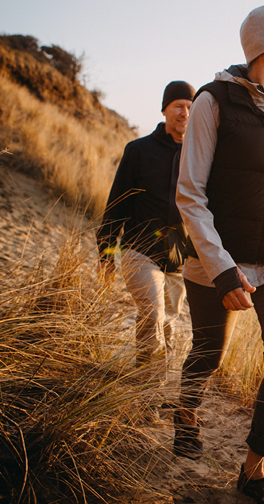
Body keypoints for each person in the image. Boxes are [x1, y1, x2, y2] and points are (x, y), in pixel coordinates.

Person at [173, 5, 264, 504]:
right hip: (218, 262)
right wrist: (222, 269)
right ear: (263, 45)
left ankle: (253, 471)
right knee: (209, 354)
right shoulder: (213, 101)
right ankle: (186, 414)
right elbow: (190, 194)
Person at [96, 81, 195, 379]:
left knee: (169, 324)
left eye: (191, 107)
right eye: (178, 105)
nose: (185, 113)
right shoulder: (139, 150)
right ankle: (147, 392)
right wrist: (106, 254)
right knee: (152, 315)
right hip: (139, 251)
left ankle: (156, 385)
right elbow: (117, 205)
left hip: (178, 259)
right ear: (164, 109)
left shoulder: (199, 157)